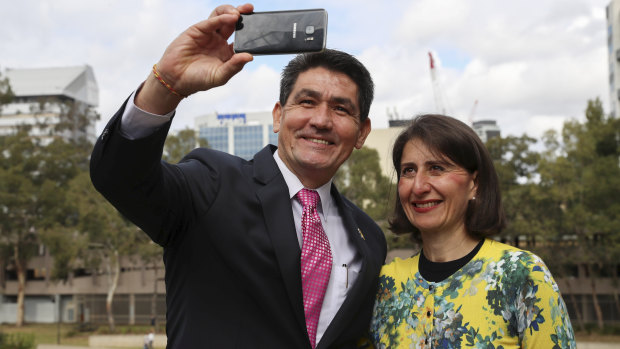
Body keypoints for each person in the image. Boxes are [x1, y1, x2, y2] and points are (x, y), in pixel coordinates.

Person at [90, 3, 386, 349]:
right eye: (306, 102)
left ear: (362, 132)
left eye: (340, 108)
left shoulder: (371, 240)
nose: (321, 120)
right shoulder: (212, 185)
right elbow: (121, 178)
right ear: (278, 116)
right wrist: (166, 85)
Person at [367, 114, 575, 348]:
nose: (418, 186)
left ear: (474, 184)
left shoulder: (521, 275)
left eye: (436, 168)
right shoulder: (384, 284)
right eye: (408, 170)